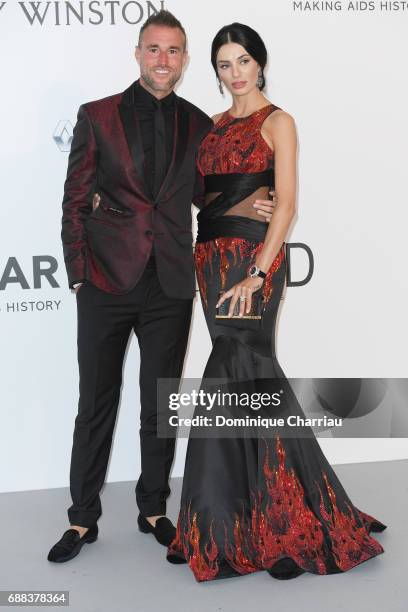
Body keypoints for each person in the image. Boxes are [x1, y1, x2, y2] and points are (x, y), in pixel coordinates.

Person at [47, 11, 275, 563]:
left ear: (186, 59)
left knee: (160, 402)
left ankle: (153, 507)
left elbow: (207, 193)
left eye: (174, 51)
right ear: (137, 53)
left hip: (171, 283)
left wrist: (251, 203)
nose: (163, 60)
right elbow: (75, 200)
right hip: (105, 280)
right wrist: (79, 275)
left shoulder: (201, 124)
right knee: (95, 402)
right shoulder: (97, 116)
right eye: (153, 49)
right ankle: (82, 518)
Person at [167, 22, 387, 581]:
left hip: (253, 262)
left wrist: (258, 272)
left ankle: (274, 524)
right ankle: (257, 516)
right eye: (224, 64)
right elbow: (203, 195)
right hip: (210, 258)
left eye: (243, 61)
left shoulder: (279, 121)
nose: (234, 73)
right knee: (245, 378)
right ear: (213, 71)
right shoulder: (212, 127)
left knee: (244, 371)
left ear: (260, 64)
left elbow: (286, 205)